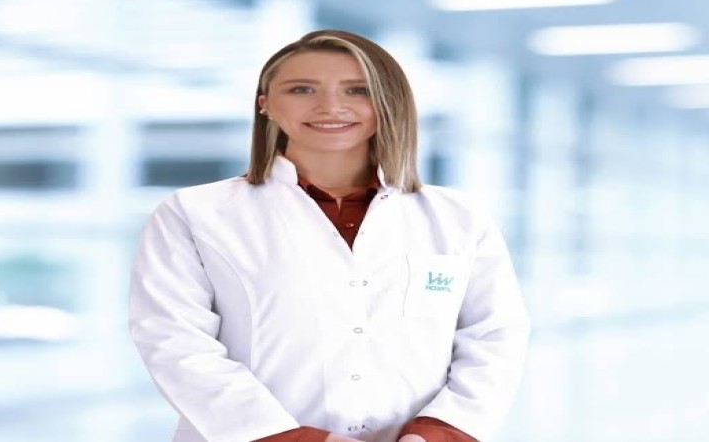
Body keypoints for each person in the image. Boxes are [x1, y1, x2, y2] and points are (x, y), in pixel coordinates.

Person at [129, 29, 530, 442]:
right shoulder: (195, 212)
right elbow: (174, 342)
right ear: (265, 104)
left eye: (357, 90)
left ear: (387, 102)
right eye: (302, 89)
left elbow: (493, 338)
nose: (331, 106)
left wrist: (437, 434)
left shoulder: (458, 217)